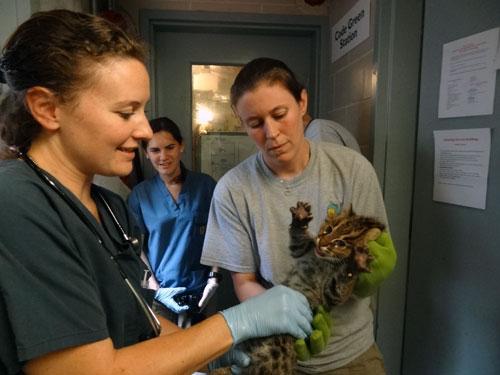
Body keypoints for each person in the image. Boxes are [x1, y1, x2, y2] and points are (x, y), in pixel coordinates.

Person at [0, 12, 313, 375]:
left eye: (143, 110)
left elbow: (143, 327)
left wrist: (212, 352)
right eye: (125, 111)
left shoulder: (110, 208)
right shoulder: (17, 204)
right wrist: (234, 325)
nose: (146, 130)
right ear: (48, 108)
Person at [200, 57, 397, 374]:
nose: (272, 132)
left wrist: (366, 274)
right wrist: (287, 317)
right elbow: (245, 282)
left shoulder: (351, 169)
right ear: (242, 124)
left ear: (302, 102)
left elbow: (370, 252)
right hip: (282, 353)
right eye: (255, 123)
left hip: (352, 355)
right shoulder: (233, 190)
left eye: (280, 114)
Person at [128, 116, 217, 327]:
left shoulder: (205, 186)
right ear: (146, 154)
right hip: (162, 293)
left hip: (202, 291)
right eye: (155, 150)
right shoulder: (141, 195)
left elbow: (220, 235)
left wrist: (214, 279)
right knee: (168, 351)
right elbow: (136, 248)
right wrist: (156, 289)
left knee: (201, 352)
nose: (163, 156)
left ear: (181, 146)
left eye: (170, 147)